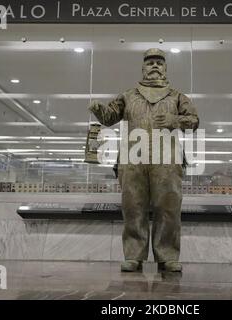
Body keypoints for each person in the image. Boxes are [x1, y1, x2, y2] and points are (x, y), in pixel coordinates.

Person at [89, 48, 199, 272]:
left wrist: (174, 120)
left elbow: (194, 121)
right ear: (143, 68)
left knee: (168, 208)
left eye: (159, 62)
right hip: (132, 159)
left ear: (165, 68)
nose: (155, 66)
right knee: (132, 207)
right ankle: (133, 255)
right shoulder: (128, 95)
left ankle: (167, 256)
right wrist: (98, 110)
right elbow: (110, 117)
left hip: (167, 159)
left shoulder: (177, 96)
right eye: (150, 63)